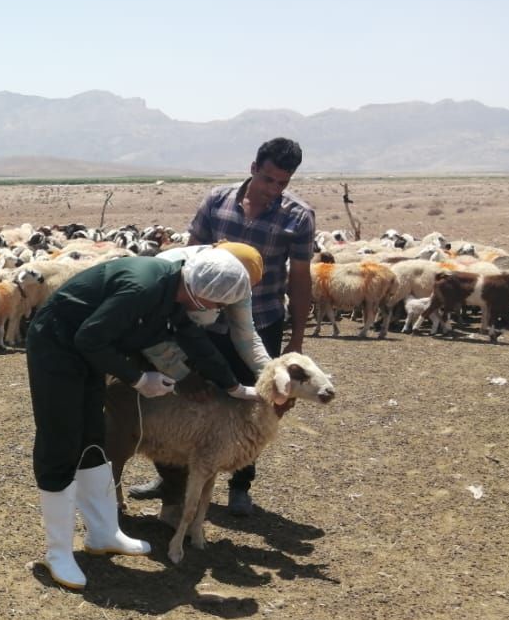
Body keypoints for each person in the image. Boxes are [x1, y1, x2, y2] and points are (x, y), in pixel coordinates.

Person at [25, 248, 257, 590]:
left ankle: (103, 532)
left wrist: (233, 385)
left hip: (88, 352)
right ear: (201, 292)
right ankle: (58, 552)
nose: (218, 310)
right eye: (218, 303)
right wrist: (137, 379)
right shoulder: (144, 288)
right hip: (57, 346)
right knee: (60, 440)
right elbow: (88, 336)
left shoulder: (173, 290)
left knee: (92, 437)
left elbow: (192, 338)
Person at [165, 137, 315, 517]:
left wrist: (296, 341)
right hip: (205, 319)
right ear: (253, 169)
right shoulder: (217, 201)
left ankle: (240, 484)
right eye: (268, 179)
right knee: (191, 396)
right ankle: (175, 478)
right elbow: (191, 257)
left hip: (260, 319)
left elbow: (300, 278)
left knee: (256, 402)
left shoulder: (298, 216)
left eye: (282, 183)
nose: (273, 189)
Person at [126, 241, 267, 502]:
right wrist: (182, 374)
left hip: (189, 332)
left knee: (188, 418)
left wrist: (270, 374)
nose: (230, 299)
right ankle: (157, 488)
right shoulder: (167, 272)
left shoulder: (235, 283)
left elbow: (245, 335)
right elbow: (148, 332)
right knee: (144, 419)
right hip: (141, 336)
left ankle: (175, 496)